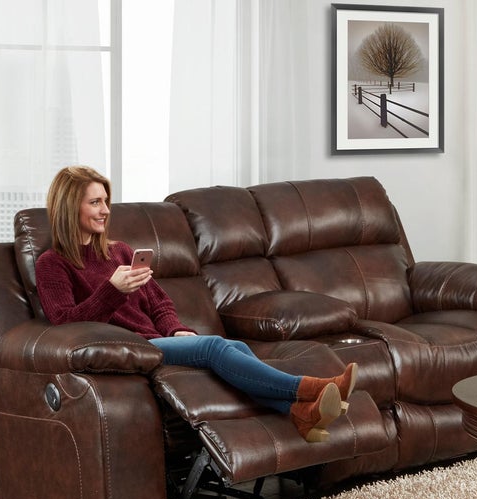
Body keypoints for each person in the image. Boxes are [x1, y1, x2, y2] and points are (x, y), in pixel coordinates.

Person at [35, 166, 357, 443]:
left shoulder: (119, 252)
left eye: (106, 201)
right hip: (128, 350)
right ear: (70, 208)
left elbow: (159, 303)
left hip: (155, 342)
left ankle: (299, 413)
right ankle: (310, 388)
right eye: (95, 202)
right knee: (213, 346)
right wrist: (112, 290)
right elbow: (65, 322)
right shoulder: (52, 264)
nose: (105, 210)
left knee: (238, 348)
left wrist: (175, 330)